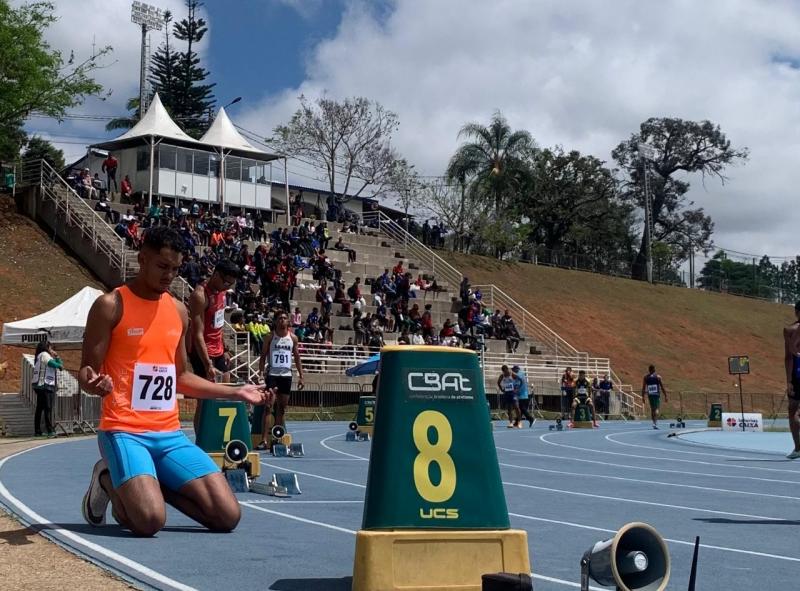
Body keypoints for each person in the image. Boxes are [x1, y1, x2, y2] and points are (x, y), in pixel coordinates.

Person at [78, 226, 272, 536]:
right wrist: (95, 382)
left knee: (227, 516)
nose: (169, 276)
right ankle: (106, 477)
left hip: (168, 435)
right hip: (125, 430)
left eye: (176, 269)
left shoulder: (178, 311)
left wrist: (237, 392)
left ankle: (148, 482)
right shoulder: (111, 305)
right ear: (142, 259)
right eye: (162, 266)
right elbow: (86, 371)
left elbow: (180, 377)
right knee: (148, 521)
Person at [257, 310, 305, 449]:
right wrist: (260, 373)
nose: (282, 320)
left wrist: (301, 376)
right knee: (268, 407)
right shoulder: (270, 337)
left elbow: (297, 357)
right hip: (273, 375)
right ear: (275, 321)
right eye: (279, 318)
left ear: (288, 321)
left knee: (281, 409)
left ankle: (276, 438)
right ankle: (263, 440)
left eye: (284, 318)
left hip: (286, 376)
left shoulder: (293, 338)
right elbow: (263, 355)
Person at [32, 341, 62, 437]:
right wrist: (57, 358)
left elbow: (59, 366)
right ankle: (50, 430)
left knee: (40, 408)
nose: (51, 350)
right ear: (47, 347)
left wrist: (57, 358)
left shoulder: (39, 356)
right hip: (45, 384)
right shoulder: (44, 354)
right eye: (50, 347)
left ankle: (37, 430)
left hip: (39, 385)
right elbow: (54, 364)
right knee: (47, 408)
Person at [784, 301, 800, 458]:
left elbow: (789, 357)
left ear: (796, 312)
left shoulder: (790, 330)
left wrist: (788, 381)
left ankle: (798, 448)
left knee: (793, 411)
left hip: (797, 372)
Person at [642, 365, 668, 429]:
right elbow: (662, 387)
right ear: (654, 370)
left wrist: (643, 397)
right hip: (656, 395)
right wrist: (666, 396)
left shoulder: (645, 377)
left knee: (652, 409)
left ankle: (653, 423)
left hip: (650, 395)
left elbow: (643, 388)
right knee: (656, 409)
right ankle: (655, 423)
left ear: (649, 370)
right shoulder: (658, 377)